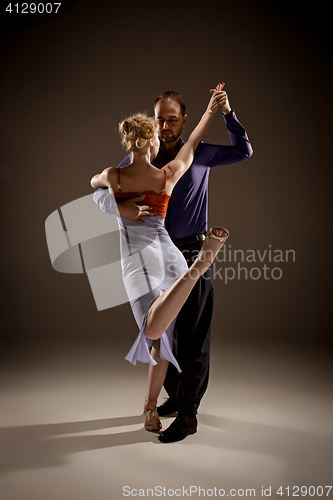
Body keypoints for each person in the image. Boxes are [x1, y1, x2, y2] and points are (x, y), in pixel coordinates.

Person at [94, 83, 253, 443]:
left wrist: (226, 112)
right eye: (158, 120)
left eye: (171, 120)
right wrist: (122, 207)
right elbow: (98, 194)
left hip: (192, 250)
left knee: (192, 337)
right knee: (161, 334)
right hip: (152, 256)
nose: (164, 127)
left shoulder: (200, 153)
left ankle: (188, 414)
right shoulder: (138, 159)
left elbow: (244, 150)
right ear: (150, 124)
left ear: (183, 120)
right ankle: (176, 397)